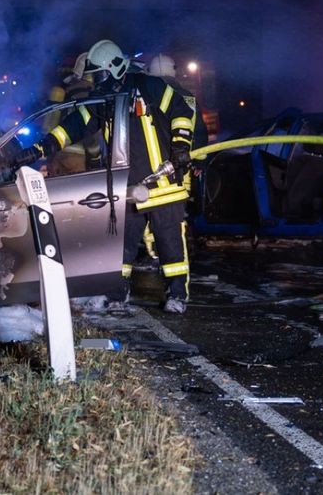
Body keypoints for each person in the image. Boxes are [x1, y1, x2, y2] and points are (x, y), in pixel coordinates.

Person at [18, 40, 197, 313]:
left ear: (113, 67)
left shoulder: (148, 86)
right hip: (128, 186)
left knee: (168, 241)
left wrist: (181, 147)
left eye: (98, 74)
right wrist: (39, 149)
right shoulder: (103, 99)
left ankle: (177, 295)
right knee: (121, 243)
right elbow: (72, 127)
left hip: (163, 183)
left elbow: (181, 112)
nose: (95, 81)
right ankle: (117, 294)